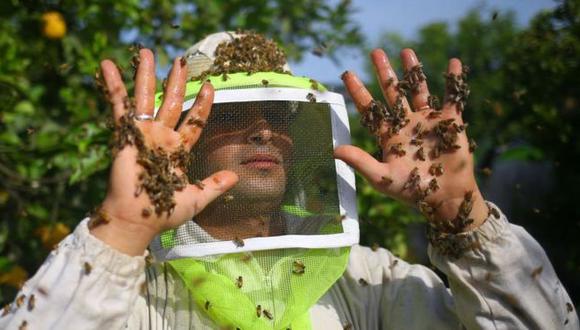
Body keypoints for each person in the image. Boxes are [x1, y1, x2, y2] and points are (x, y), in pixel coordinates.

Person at [0, 31, 578, 330]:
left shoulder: (369, 285)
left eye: (278, 118)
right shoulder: (131, 294)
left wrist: (463, 217)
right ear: (185, 141)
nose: (264, 132)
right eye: (231, 115)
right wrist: (121, 231)